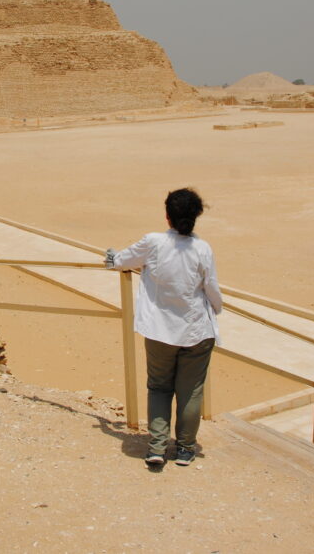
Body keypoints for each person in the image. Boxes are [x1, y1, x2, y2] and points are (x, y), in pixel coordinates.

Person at [105, 188, 222, 466]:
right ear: (196, 216)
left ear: (167, 216)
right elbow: (212, 289)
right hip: (196, 331)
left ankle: (157, 447)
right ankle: (185, 449)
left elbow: (120, 261)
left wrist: (112, 257)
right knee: (191, 391)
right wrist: (216, 310)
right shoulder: (202, 248)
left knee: (159, 387)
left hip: (159, 331)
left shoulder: (154, 242)